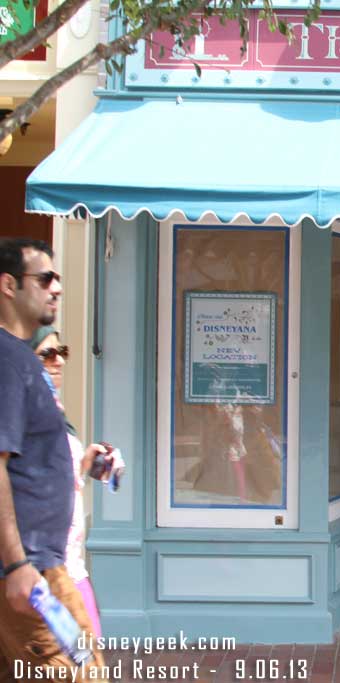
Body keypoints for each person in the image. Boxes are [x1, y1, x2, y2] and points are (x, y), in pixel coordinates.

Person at [0, 238, 106, 680]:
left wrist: (81, 468)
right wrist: (18, 564)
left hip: (43, 562)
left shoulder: (23, 361)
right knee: (81, 673)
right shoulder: (7, 361)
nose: (57, 287)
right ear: (8, 285)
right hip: (33, 571)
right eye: (44, 278)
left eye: (58, 278)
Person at [31, 326, 121, 638]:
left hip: (71, 566)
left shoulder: (53, 409)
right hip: (45, 572)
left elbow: (53, 481)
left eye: (62, 352)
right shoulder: (24, 413)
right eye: (47, 354)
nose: (59, 361)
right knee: (79, 663)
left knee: (84, 656)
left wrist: (84, 466)